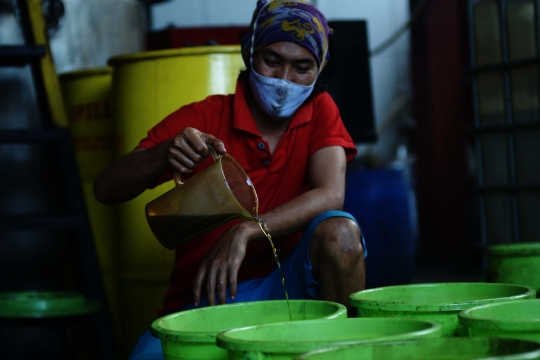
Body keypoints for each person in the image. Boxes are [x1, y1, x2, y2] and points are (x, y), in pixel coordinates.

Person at [94, 0, 366, 358]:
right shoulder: (204, 117)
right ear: (249, 52)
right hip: (205, 304)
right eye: (272, 61)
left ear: (319, 70)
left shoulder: (320, 111)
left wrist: (248, 229)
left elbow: (331, 194)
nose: (284, 80)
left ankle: (342, 350)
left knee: (341, 233)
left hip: (288, 295)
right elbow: (105, 188)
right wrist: (163, 154)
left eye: (302, 67)